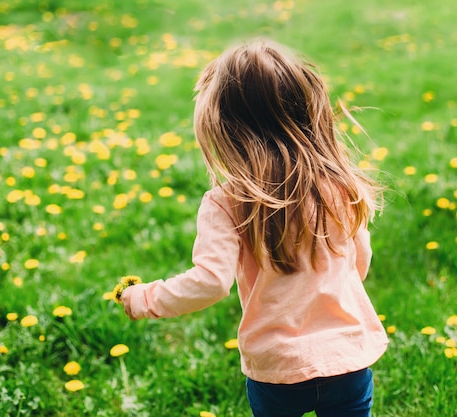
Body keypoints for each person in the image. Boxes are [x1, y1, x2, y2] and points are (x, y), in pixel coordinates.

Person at [120, 38, 388, 417]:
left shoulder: (226, 201)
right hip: (348, 358)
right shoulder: (338, 183)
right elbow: (359, 258)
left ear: (224, 129)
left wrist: (145, 298)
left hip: (276, 370)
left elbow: (211, 283)